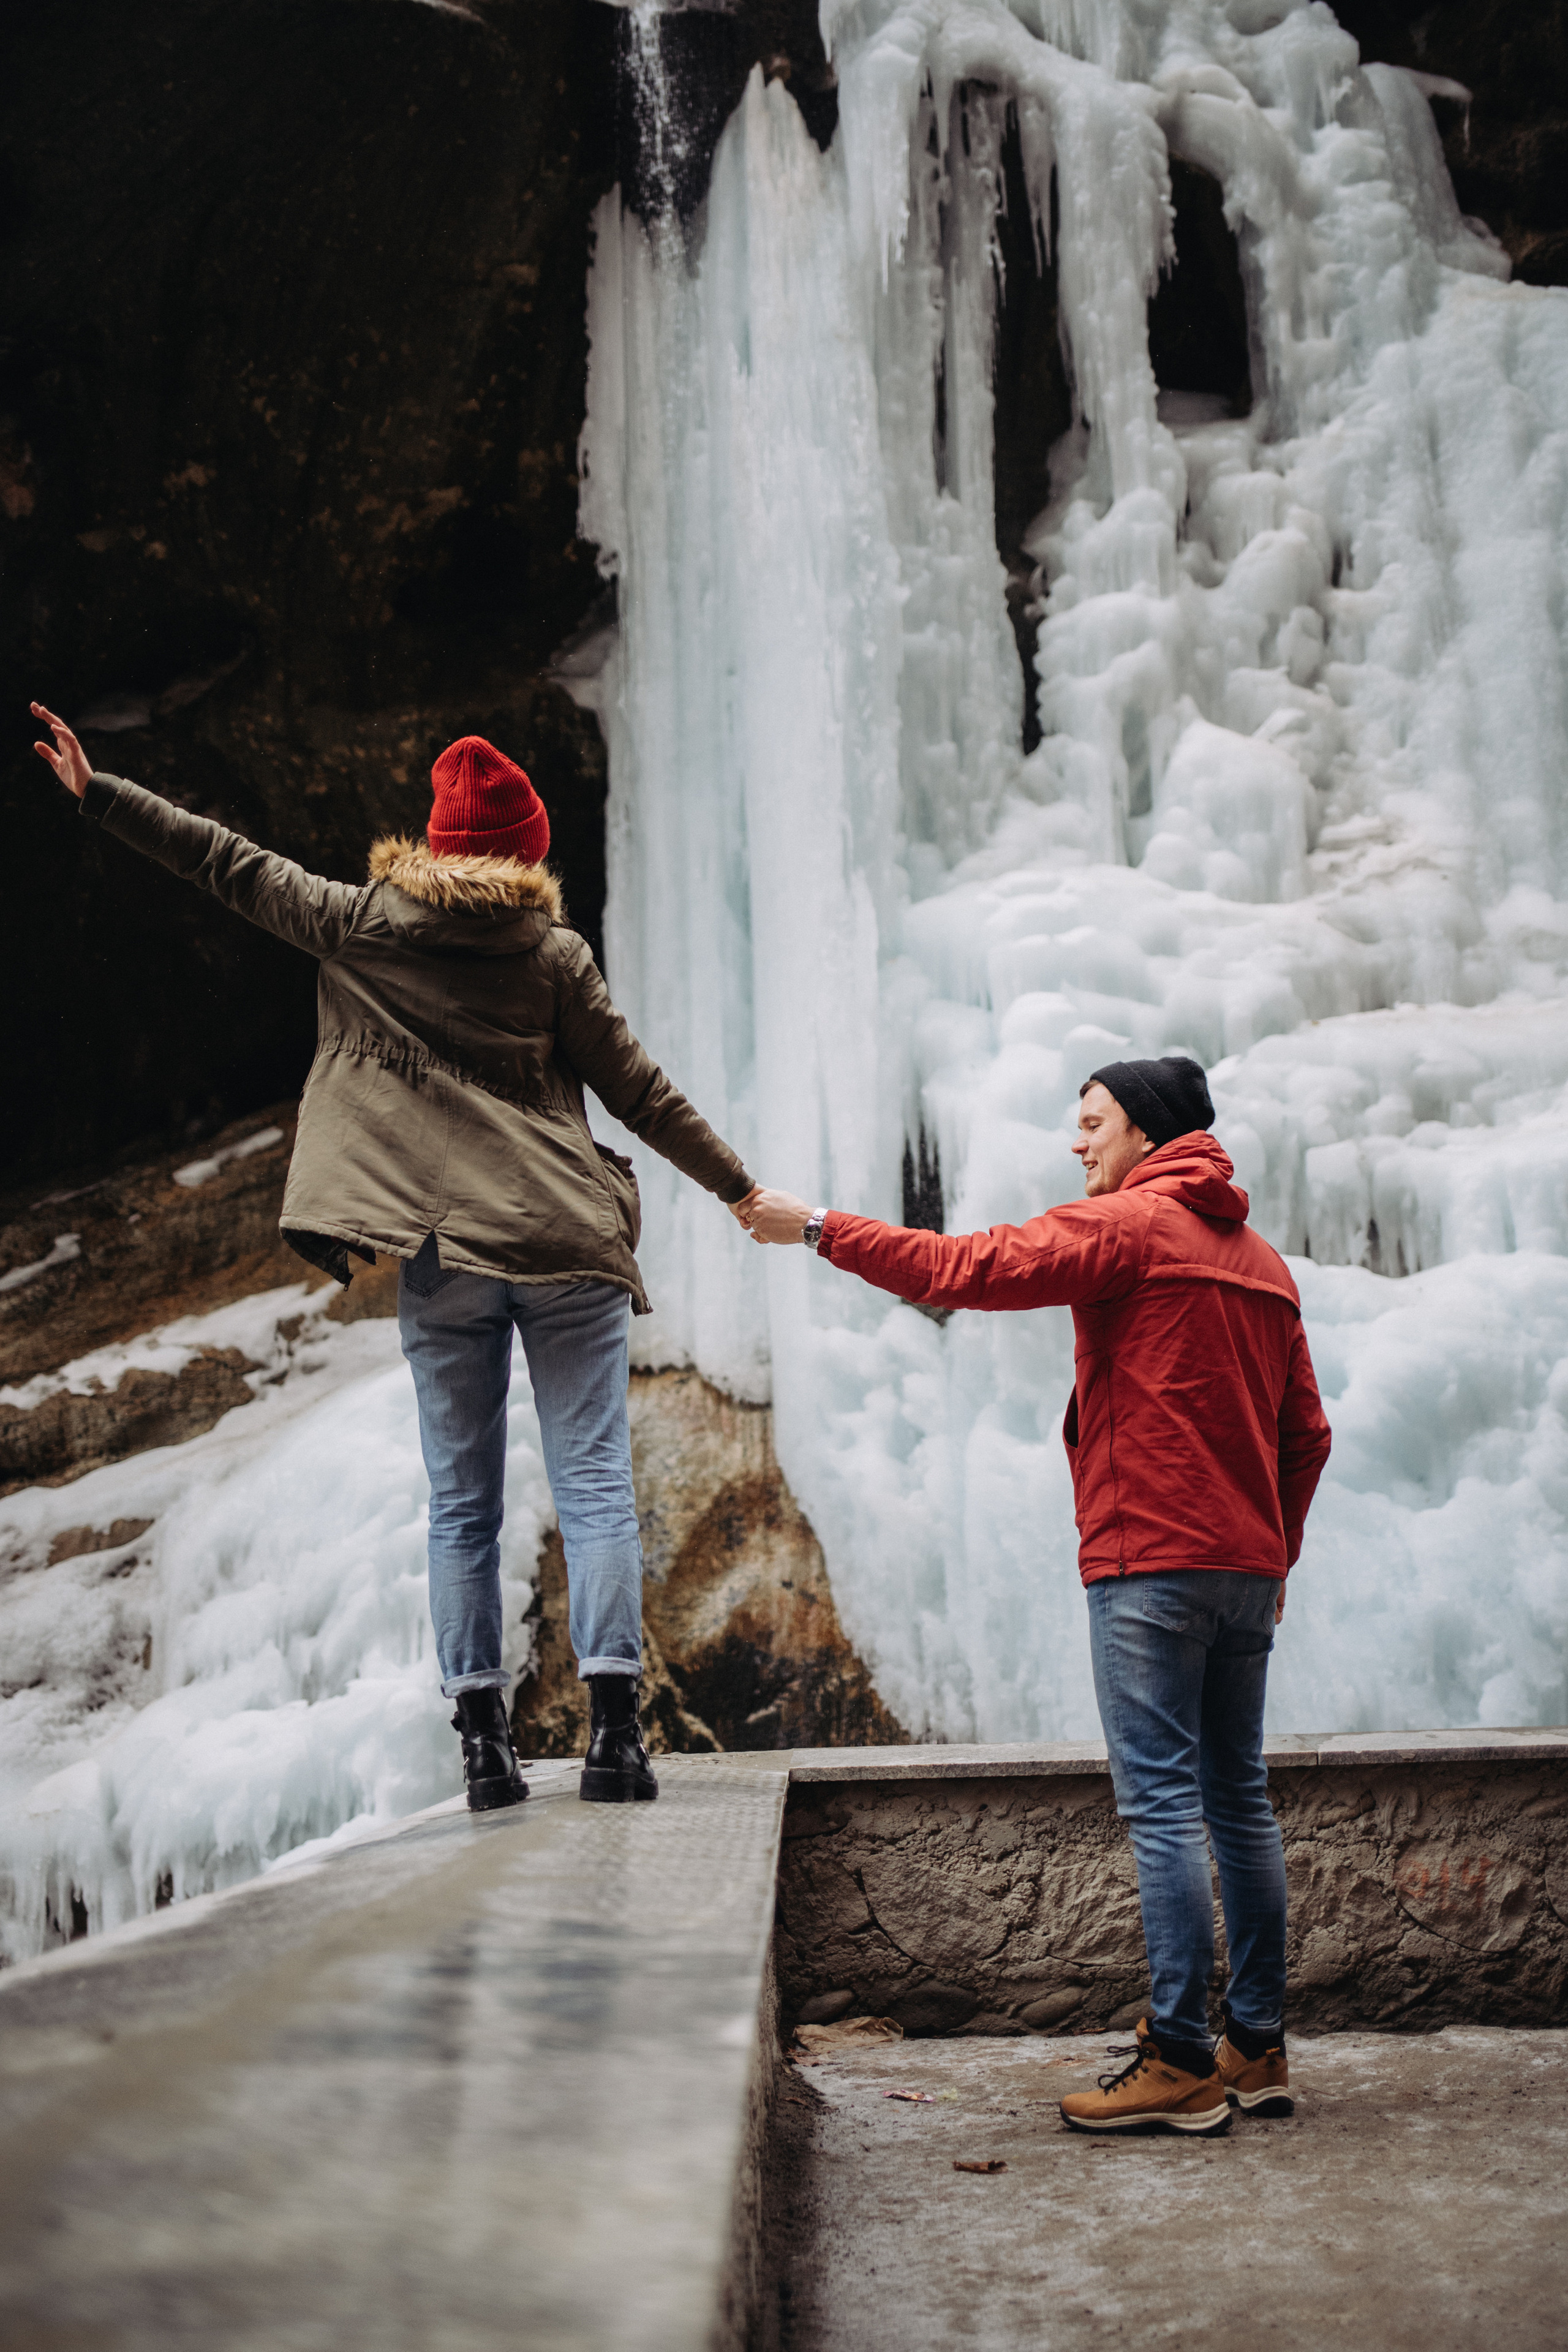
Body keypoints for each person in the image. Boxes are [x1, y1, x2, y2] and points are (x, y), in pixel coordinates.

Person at [32, 703, 760, 1812]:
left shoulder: (358, 923)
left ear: (433, 841)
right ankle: (617, 1740)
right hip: (567, 1245)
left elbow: (224, 863)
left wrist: (102, 794)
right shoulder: (553, 953)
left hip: (445, 1253)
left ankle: (484, 1748)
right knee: (598, 1489)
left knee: (462, 1505)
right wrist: (742, 1189)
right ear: (527, 850)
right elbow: (641, 1094)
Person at [740, 1054, 1332, 2136]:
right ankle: (1257, 2045)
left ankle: (1182, 2060)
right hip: (1245, 1573)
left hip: (1148, 1561)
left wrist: (820, 1226)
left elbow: (966, 1266)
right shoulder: (1265, 1267)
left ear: (1148, 1133)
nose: (1079, 1142)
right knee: (1238, 1800)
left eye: (1093, 1121)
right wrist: (1274, 1561)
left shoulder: (1130, 1229)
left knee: (1161, 1805)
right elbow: (1309, 1437)